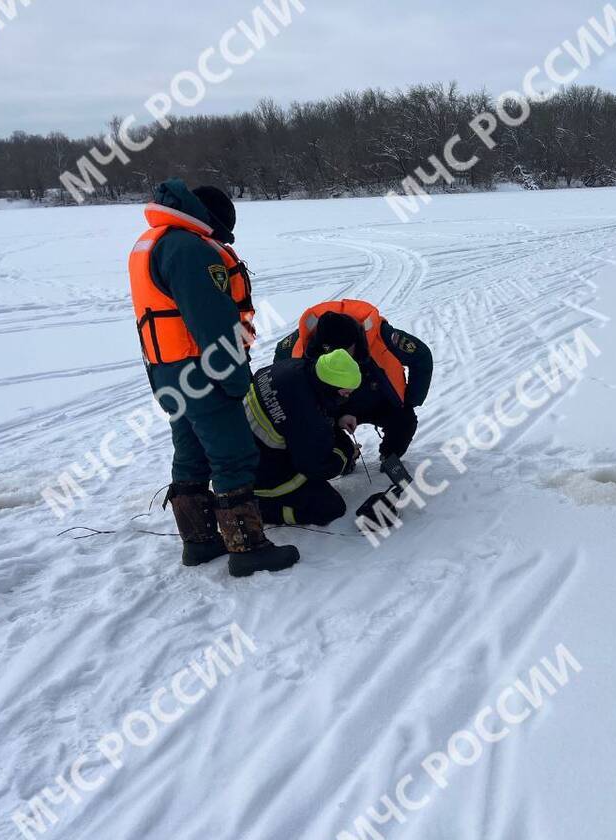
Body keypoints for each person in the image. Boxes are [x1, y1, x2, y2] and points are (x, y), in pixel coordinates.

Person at [128, 178, 299, 577]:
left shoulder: (154, 241)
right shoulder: (189, 248)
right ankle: (248, 548)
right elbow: (213, 323)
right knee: (233, 455)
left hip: (167, 371)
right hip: (202, 371)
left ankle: (199, 541)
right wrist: (236, 379)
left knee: (191, 453)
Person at [274, 300, 432, 468]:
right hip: (330, 407)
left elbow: (421, 356)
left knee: (404, 421)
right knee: (316, 436)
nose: (339, 358)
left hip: (374, 399)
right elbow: (281, 376)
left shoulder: (380, 335)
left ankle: (389, 455)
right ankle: (345, 461)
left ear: (356, 343)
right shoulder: (298, 346)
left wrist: (410, 400)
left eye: (344, 353)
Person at [244, 349, 365, 526]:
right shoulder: (307, 416)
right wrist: (346, 453)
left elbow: (310, 404)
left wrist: (338, 417)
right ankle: (262, 509)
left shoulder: (296, 367)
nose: (346, 398)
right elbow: (316, 467)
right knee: (330, 507)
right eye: (345, 394)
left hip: (239, 447)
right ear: (331, 388)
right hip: (257, 474)